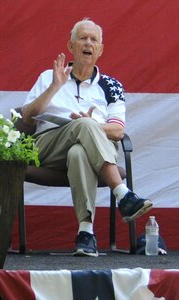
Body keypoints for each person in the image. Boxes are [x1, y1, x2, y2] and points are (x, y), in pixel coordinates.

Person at [18, 18, 152, 257]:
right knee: (82, 126)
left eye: (94, 39)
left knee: (79, 151)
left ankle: (86, 233)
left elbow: (118, 131)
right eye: (82, 38)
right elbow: (26, 117)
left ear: (100, 49)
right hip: (49, 146)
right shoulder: (50, 76)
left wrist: (92, 126)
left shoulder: (112, 86)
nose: (88, 43)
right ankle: (122, 193)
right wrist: (54, 87)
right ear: (71, 45)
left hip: (94, 149)